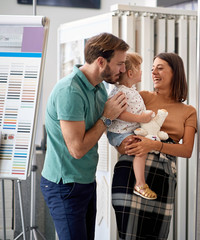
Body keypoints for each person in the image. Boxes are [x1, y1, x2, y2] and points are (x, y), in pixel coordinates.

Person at [40, 32, 129, 240]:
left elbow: (106, 126)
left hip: (86, 181)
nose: (123, 69)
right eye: (119, 64)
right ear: (100, 61)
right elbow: (77, 150)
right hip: (64, 185)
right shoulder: (70, 91)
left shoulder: (98, 88)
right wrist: (106, 118)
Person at [111, 52, 197, 239]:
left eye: (160, 68)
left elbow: (187, 150)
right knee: (128, 234)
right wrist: (122, 146)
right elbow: (117, 123)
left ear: (176, 73)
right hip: (130, 173)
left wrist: (154, 145)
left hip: (162, 175)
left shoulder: (189, 111)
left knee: (155, 235)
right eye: (152, 69)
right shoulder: (141, 96)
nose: (154, 73)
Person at [107, 52, 157, 200]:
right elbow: (118, 113)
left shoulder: (130, 91)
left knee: (143, 145)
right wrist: (141, 117)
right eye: (139, 68)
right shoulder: (121, 92)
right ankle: (140, 184)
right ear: (130, 73)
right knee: (140, 149)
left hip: (126, 131)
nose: (142, 71)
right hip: (120, 133)